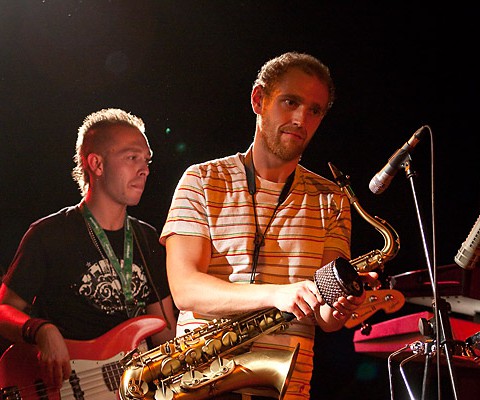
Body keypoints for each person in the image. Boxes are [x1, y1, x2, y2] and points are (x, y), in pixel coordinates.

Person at [160, 52, 378, 400]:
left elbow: (325, 318)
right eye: (290, 101)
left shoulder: (333, 199)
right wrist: (277, 294)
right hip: (199, 383)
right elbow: (185, 289)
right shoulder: (201, 179)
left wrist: (340, 304)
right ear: (258, 100)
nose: (300, 118)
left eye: (314, 110)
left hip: (286, 388)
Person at [0, 108, 176, 392]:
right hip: (62, 388)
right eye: (132, 157)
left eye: (146, 160)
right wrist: (42, 330)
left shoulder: (146, 238)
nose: (144, 169)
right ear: (96, 164)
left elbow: (165, 334)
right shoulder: (48, 234)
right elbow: (4, 309)